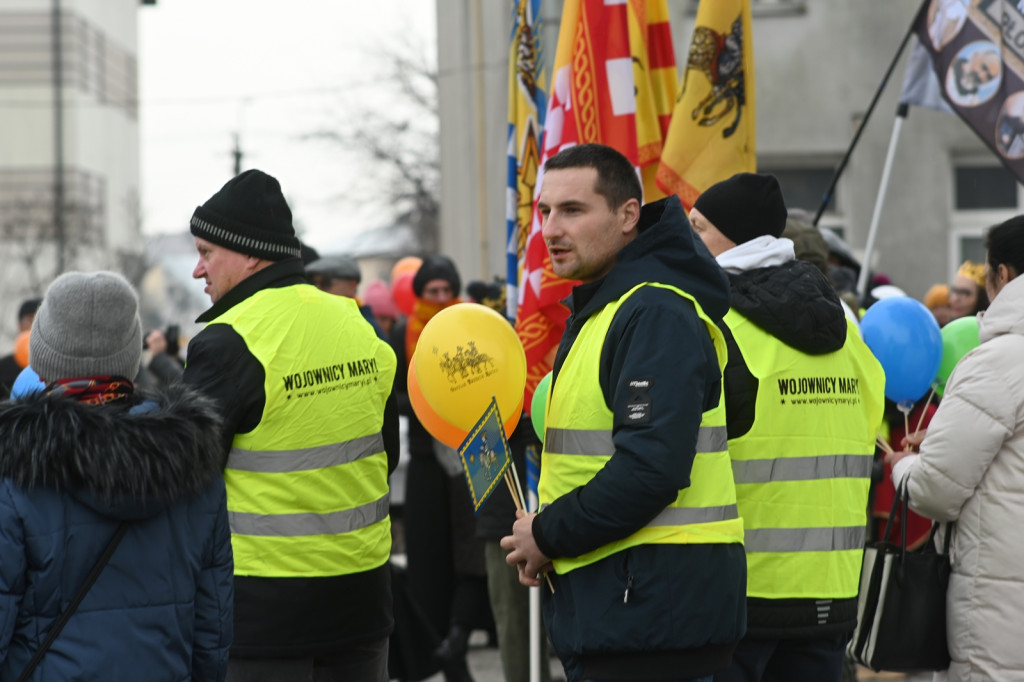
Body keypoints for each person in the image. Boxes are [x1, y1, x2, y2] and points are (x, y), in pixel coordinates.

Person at [501, 143, 747, 682]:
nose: (551, 229)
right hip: (626, 609)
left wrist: (546, 536)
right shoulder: (609, 307)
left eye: (573, 210)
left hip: (653, 620)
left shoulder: (655, 311)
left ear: (628, 215)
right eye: (545, 211)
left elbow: (650, 470)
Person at [182, 168, 400, 681]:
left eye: (206, 252)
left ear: (251, 254)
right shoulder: (357, 324)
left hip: (265, 623)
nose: (197, 270)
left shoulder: (228, 342)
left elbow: (187, 482)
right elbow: (382, 450)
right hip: (362, 606)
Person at [687, 172, 885, 682]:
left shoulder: (712, 321)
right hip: (832, 589)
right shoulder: (847, 327)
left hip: (738, 592)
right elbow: (870, 431)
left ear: (736, 237)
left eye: (699, 227)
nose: (688, 240)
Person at [0, 271, 232, 680]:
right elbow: (211, 624)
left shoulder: (17, 468)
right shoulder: (196, 464)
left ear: (42, 353)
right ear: (130, 354)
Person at [886, 215, 1024, 682]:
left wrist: (905, 466)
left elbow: (935, 491)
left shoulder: (997, 361)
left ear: (1001, 274)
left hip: (1002, 607)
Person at [390, 254, 491, 682]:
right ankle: (444, 652)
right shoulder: (400, 334)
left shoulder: (472, 328)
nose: (441, 299)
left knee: (478, 553)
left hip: (477, 451)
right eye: (432, 292)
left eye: (447, 291)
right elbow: (393, 395)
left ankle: (459, 634)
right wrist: (424, 401)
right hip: (428, 461)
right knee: (428, 561)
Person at [306, 254, 386, 338]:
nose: (317, 290)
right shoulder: (314, 322)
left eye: (326, 283)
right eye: (313, 284)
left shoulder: (369, 329)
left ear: (352, 285)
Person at [0, 297, 41, 399]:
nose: (34, 326)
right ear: (20, 326)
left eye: (39, 320)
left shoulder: (57, 366)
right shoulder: (3, 367)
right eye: (30, 320)